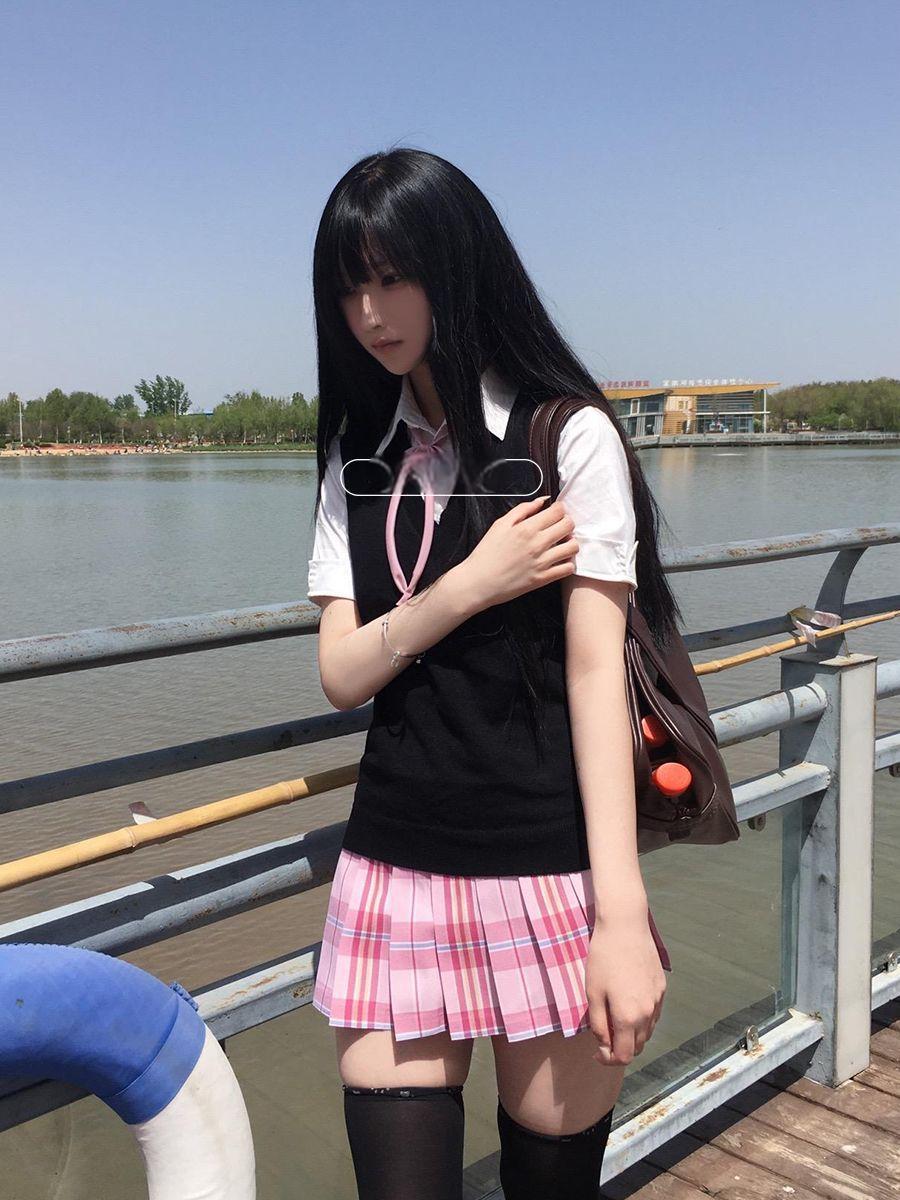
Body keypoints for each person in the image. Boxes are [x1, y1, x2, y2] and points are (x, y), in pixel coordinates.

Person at [306, 147, 682, 1200]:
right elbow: (341, 672)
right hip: (395, 867)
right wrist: (466, 587)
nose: (370, 312)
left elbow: (597, 678)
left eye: (394, 278)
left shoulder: (570, 437)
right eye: (349, 286)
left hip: (550, 869)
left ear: (458, 266)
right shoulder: (359, 458)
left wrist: (620, 917)